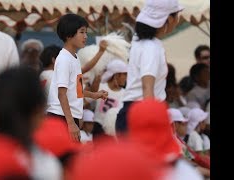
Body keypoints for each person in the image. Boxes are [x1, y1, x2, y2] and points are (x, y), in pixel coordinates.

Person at [115, 0, 184, 134]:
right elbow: (148, 87)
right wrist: (152, 121)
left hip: (136, 112)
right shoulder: (150, 47)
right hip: (142, 113)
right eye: (177, 16)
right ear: (169, 19)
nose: (177, 21)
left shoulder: (141, 42)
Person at [46, 13, 108, 142]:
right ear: (69, 35)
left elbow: (77, 89)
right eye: (82, 32)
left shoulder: (74, 57)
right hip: (60, 117)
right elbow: (61, 94)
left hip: (67, 118)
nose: (85, 36)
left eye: (86, 32)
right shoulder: (64, 59)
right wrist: (70, 123)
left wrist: (94, 95)